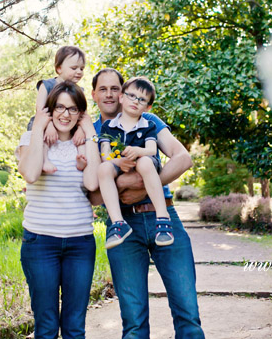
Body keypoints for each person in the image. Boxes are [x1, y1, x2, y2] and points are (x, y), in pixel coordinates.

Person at [91, 68, 205, 339]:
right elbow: (94, 195)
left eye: (115, 88)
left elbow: (182, 158)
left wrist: (142, 187)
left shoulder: (148, 120)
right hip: (123, 227)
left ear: (123, 92)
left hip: (162, 217)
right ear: (93, 94)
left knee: (187, 313)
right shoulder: (93, 131)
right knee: (133, 322)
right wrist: (121, 186)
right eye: (102, 89)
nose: (110, 94)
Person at [17, 81, 101, 339]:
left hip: (80, 243)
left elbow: (91, 183)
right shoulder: (31, 139)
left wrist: (89, 135)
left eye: (73, 109)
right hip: (41, 242)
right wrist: (40, 126)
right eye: (60, 107)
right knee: (47, 326)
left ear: (81, 114)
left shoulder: (84, 143)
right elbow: (30, 174)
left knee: (75, 327)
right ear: (50, 109)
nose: (65, 114)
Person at [97, 76, 173, 249]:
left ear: (148, 107)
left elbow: (152, 150)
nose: (135, 101)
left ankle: (162, 218)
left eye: (142, 99)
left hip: (144, 163)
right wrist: (119, 161)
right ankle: (118, 223)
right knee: (103, 169)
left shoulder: (148, 125)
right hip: (120, 165)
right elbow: (105, 155)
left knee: (144, 162)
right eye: (131, 96)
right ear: (121, 97)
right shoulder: (109, 126)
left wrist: (138, 152)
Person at [30, 45, 87, 174]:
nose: (79, 71)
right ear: (59, 68)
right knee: (43, 138)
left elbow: (83, 113)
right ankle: (44, 160)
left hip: (68, 125)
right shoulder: (48, 85)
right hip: (45, 122)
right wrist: (49, 125)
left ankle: (81, 160)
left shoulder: (79, 91)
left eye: (82, 68)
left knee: (82, 139)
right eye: (74, 68)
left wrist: (80, 129)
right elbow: (40, 108)